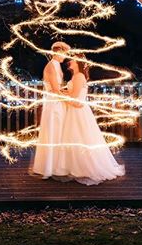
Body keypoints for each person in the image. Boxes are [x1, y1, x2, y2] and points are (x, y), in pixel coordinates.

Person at [54, 53, 125, 185]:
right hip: (74, 111)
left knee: (80, 138)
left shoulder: (79, 76)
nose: (70, 61)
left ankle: (84, 168)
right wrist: (62, 92)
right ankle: (74, 166)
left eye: (73, 59)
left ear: (78, 62)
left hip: (78, 111)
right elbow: (73, 94)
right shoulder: (76, 76)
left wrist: (60, 95)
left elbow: (75, 99)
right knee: (73, 138)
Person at [30, 41, 70, 178]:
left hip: (58, 103)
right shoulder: (51, 66)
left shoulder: (57, 65)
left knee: (59, 133)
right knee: (54, 132)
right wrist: (71, 98)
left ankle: (58, 165)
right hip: (54, 104)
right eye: (64, 53)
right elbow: (55, 90)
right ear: (58, 52)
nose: (65, 56)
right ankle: (50, 167)